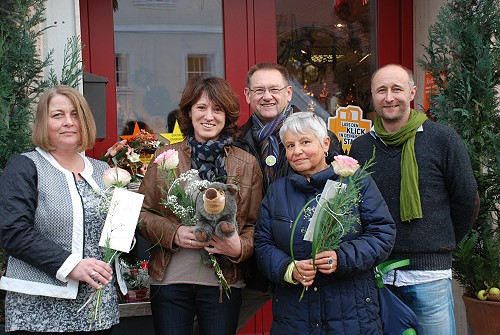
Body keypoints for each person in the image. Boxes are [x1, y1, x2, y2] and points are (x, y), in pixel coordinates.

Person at [349, 64, 478, 335]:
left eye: (397, 89)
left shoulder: (443, 139)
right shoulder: (362, 147)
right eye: (381, 90)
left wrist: (440, 240)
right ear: (372, 96)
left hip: (429, 276)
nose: (389, 97)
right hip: (379, 276)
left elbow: (467, 200)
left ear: (412, 93)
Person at [137, 76, 263, 335]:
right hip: (170, 280)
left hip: (223, 283)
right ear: (189, 112)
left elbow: (256, 224)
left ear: (227, 116)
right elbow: (141, 213)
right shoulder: (165, 157)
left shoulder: (247, 163)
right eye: (201, 108)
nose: (209, 116)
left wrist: (240, 247)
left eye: (217, 109)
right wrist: (173, 233)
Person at [254, 112, 396, 334]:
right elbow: (262, 244)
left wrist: (342, 257)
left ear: (325, 143)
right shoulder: (277, 192)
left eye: (305, 142)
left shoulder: (356, 182)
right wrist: (287, 269)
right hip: (295, 318)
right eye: (290, 145)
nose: (297, 151)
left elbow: (382, 233)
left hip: (352, 315)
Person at [229, 62, 344, 331]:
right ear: (247, 95)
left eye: (274, 89)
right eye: (259, 90)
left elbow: (342, 196)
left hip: (307, 263)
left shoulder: (318, 135)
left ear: (289, 93)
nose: (266, 96)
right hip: (255, 262)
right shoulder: (236, 141)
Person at [0, 85, 119, 334]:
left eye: (75, 114)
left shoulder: (102, 171)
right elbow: (13, 232)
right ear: (44, 122)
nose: (68, 122)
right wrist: (70, 264)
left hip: (97, 309)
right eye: (58, 115)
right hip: (39, 308)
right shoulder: (25, 166)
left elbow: (115, 235)